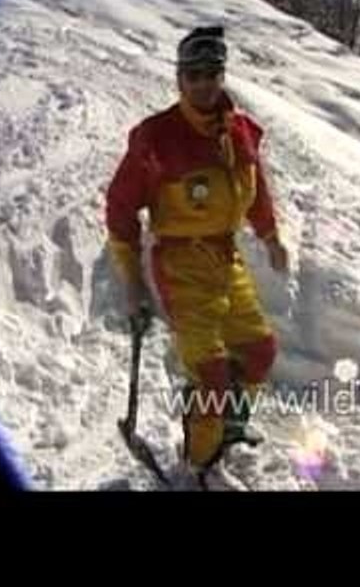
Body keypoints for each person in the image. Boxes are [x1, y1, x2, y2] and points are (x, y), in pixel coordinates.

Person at [105, 26, 289, 486]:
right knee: (210, 376)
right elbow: (121, 209)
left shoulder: (239, 131)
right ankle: (199, 465)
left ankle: (227, 432)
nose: (205, 83)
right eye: (195, 75)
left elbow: (256, 188)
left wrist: (270, 237)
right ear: (180, 79)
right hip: (181, 266)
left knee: (259, 352)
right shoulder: (157, 138)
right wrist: (131, 284)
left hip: (226, 260)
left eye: (213, 73)